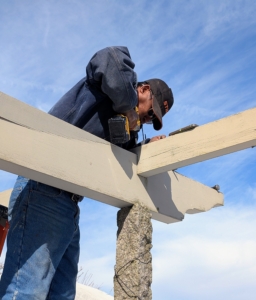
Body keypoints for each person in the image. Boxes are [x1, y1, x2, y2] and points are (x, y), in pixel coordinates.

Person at [0, 46, 174, 300]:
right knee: (25, 291)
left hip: (69, 205)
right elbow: (110, 58)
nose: (146, 119)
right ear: (144, 89)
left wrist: (146, 148)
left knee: (62, 294)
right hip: (44, 188)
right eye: (150, 111)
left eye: (152, 120)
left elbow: (124, 161)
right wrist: (128, 108)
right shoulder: (110, 86)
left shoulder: (125, 130)